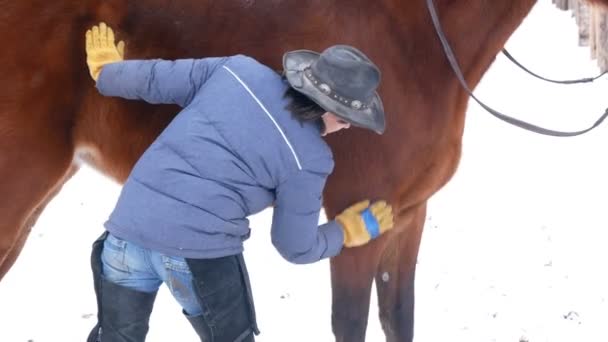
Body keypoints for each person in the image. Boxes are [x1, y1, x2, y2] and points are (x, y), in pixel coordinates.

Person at [84, 22, 394, 342]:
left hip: (125, 234)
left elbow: (155, 79)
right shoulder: (310, 160)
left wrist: (108, 73)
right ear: (330, 110)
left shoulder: (236, 70)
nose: (345, 129)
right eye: (346, 119)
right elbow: (295, 246)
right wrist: (344, 231)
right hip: (198, 254)